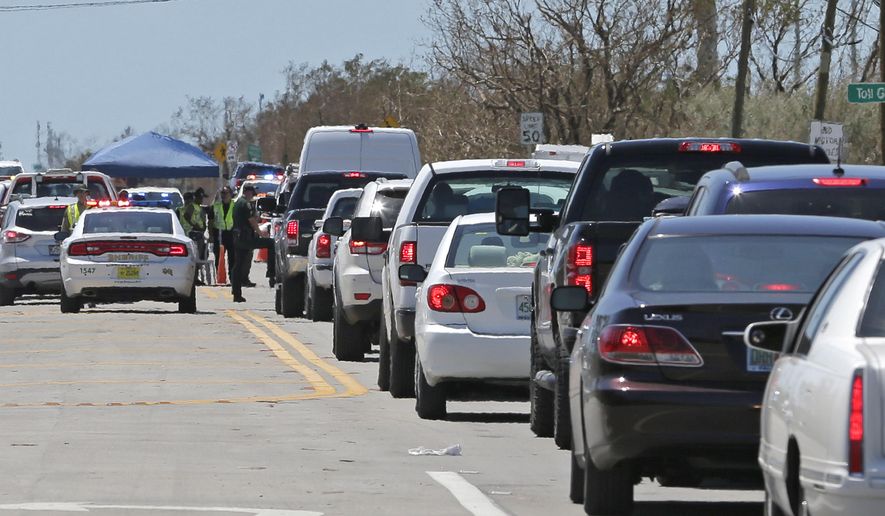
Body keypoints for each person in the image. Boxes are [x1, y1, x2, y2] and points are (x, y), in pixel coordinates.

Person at [231, 184, 275, 303]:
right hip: (246, 239)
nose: (252, 195)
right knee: (271, 243)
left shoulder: (237, 203)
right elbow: (251, 221)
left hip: (237, 237)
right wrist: (260, 233)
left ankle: (236, 293)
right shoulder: (245, 203)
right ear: (247, 192)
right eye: (252, 192)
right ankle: (271, 272)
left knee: (238, 265)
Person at [211, 186, 236, 279]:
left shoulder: (235, 205)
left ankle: (232, 276)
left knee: (232, 257)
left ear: (231, 194)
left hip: (231, 234)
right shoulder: (216, 205)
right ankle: (219, 275)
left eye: (226, 193)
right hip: (219, 234)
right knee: (218, 256)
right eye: (222, 193)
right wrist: (211, 235)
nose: (224, 195)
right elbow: (210, 220)